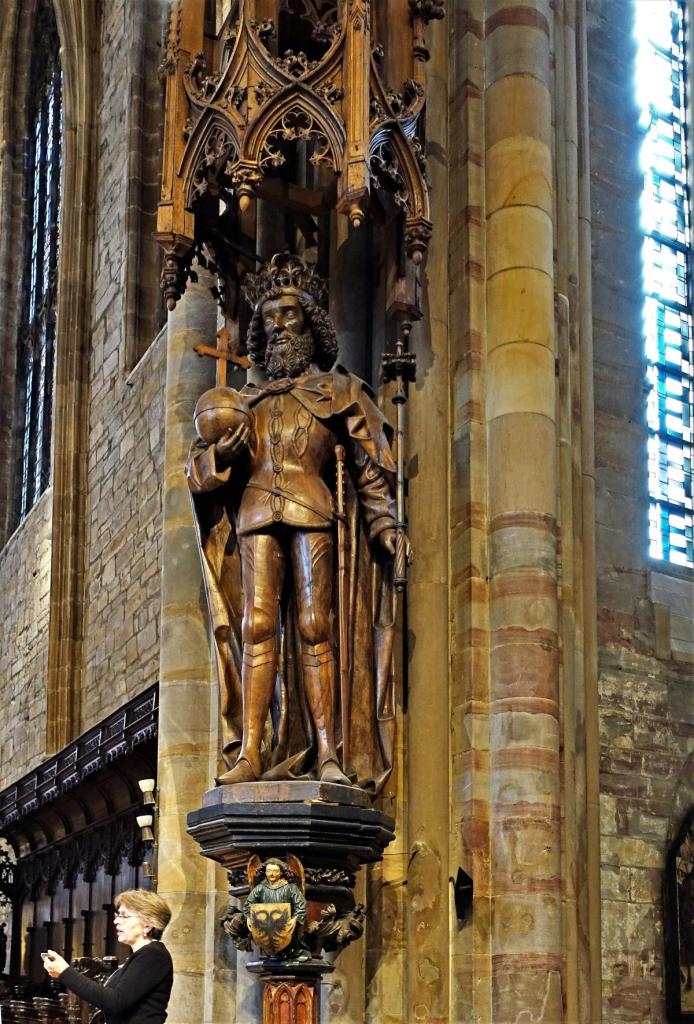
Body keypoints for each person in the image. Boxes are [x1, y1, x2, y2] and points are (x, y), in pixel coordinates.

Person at [187, 253, 408, 792]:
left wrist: (384, 527)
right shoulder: (245, 404)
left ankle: (329, 753)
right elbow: (196, 471)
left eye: (289, 315)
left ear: (312, 323)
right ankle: (252, 754)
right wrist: (221, 459)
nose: (278, 326)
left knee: (315, 625)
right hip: (257, 511)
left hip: (314, 508)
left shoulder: (340, 393)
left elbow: (370, 470)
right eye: (268, 319)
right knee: (257, 626)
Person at [42, 889, 173, 1024]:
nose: (116, 921)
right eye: (117, 915)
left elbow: (114, 1002)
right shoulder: (143, 955)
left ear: (148, 924)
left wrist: (65, 972)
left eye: (124, 916)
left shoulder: (153, 955)